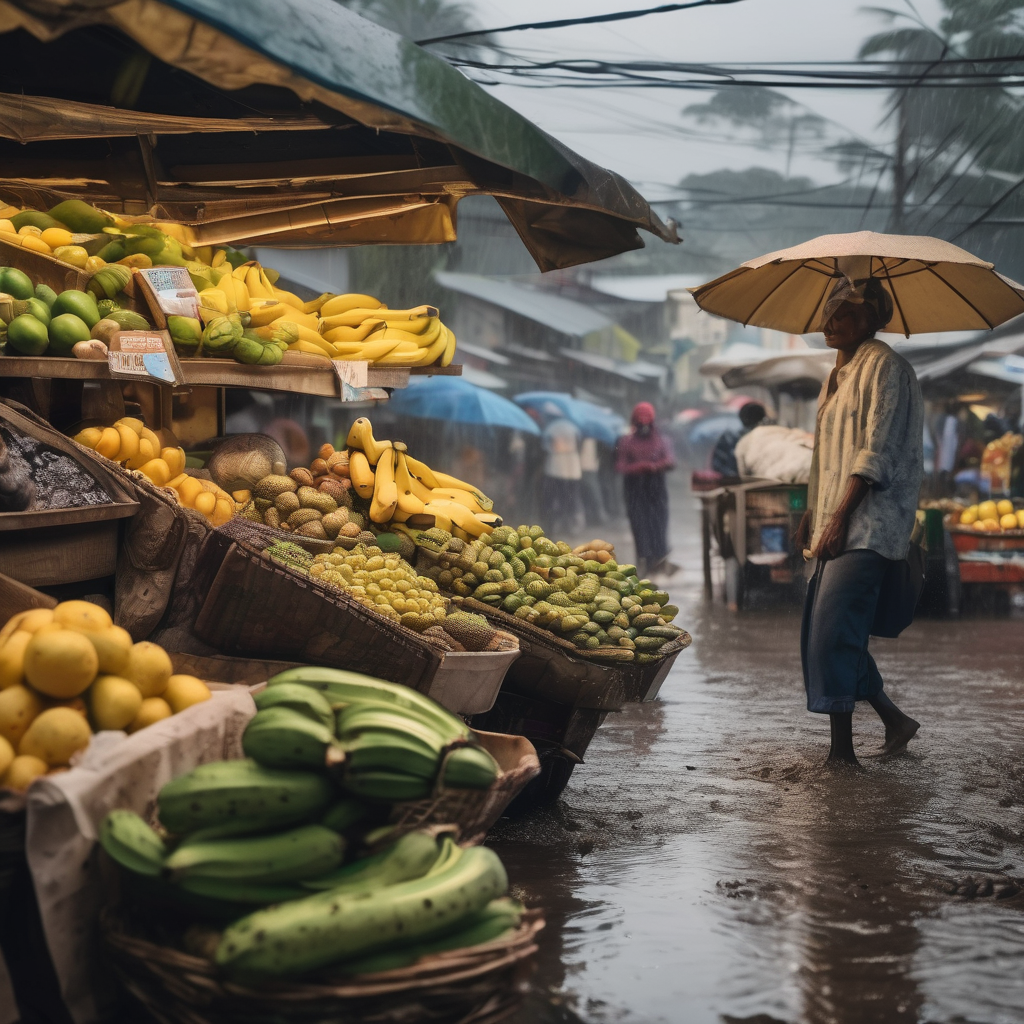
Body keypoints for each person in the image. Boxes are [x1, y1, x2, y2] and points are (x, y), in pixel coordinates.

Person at [795, 276, 923, 767]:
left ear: (873, 318)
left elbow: (876, 452)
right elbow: (827, 456)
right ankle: (895, 721)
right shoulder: (837, 375)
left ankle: (842, 754)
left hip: (869, 522)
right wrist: (813, 510)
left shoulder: (886, 367)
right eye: (829, 312)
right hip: (835, 518)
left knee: (833, 634)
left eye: (846, 312)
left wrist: (839, 517)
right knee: (824, 631)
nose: (832, 321)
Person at [616, 402, 676, 577]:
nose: (644, 427)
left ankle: (659, 558)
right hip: (635, 488)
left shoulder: (662, 440)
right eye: (640, 423)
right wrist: (639, 467)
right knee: (640, 524)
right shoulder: (626, 441)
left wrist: (656, 466)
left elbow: (670, 460)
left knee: (658, 523)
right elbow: (620, 466)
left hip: (656, 486)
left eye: (646, 423)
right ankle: (645, 559)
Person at [540, 414, 584, 537]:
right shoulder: (573, 428)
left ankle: (554, 525)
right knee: (571, 498)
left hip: (555, 467)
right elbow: (579, 445)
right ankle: (570, 525)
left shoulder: (551, 428)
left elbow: (545, 446)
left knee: (555, 497)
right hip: (572, 467)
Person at [710, 402, 767, 478]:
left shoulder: (729, 437)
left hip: (736, 481)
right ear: (763, 418)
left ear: (741, 417)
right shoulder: (768, 437)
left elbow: (717, 464)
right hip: (762, 481)